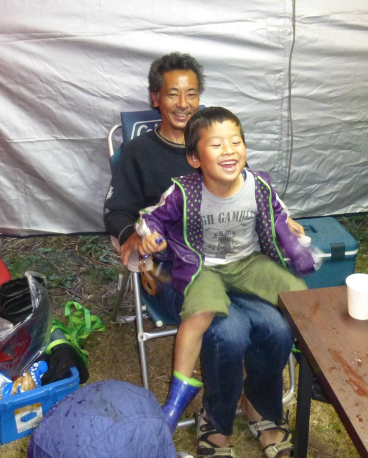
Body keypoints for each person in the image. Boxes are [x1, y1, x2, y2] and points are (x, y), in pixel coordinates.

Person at [103, 52, 305, 458]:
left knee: (276, 326)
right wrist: (136, 246)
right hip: (176, 268)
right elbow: (118, 212)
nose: (183, 103)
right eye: (172, 94)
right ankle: (216, 421)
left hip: (236, 260)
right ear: (155, 98)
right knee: (228, 331)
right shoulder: (138, 152)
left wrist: (282, 223)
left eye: (191, 93)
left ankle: (260, 407)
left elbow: (250, 195)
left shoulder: (217, 142)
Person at [136, 107, 320, 447]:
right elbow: (151, 218)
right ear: (194, 158)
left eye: (236, 142)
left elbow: (279, 216)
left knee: (298, 297)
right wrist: (151, 237)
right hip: (202, 267)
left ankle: (313, 368)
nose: (229, 150)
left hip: (248, 263)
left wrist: (295, 246)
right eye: (217, 145)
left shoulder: (258, 185)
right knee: (202, 313)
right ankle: (177, 401)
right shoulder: (184, 192)